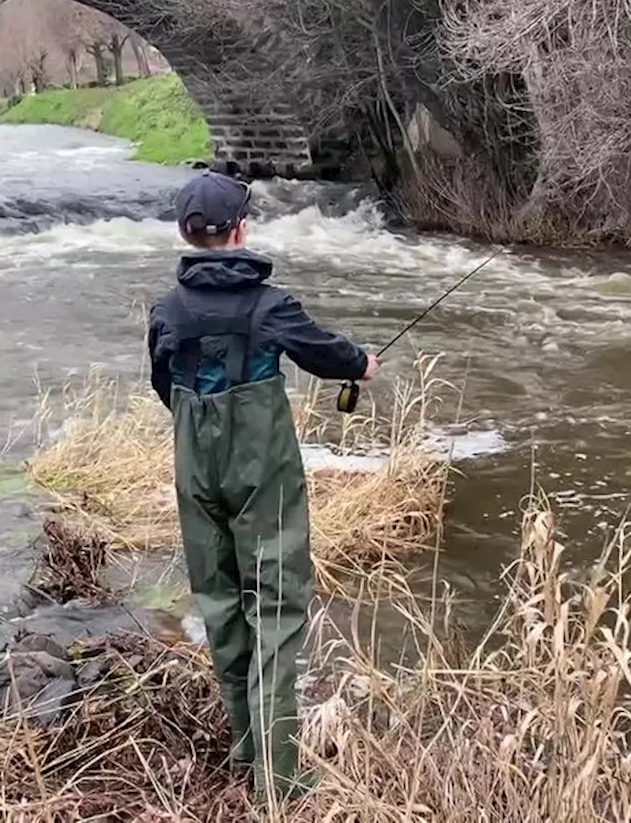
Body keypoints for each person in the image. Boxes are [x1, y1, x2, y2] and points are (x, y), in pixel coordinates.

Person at [146, 171, 379, 801]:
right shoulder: (270, 305)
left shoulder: (168, 308)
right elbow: (327, 354)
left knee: (220, 604)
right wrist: (363, 364)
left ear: (184, 233)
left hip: (195, 466)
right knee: (274, 606)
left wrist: (204, 424)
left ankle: (244, 747)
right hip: (261, 467)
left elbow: (163, 383)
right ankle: (278, 776)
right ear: (242, 229)